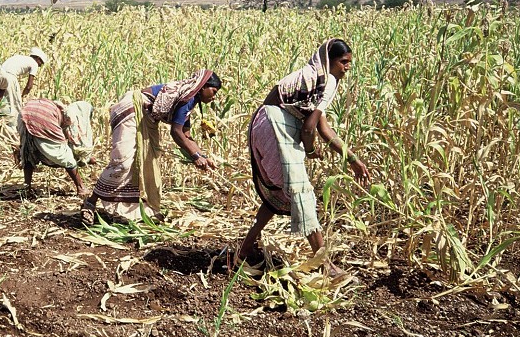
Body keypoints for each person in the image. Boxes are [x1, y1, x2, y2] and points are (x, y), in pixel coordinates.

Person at [238, 39, 370, 277]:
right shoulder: (327, 81)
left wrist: (352, 159)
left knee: (279, 193)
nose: (347, 67)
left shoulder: (315, 78)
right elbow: (309, 128)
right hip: (274, 127)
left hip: (262, 124)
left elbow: (324, 129)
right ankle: (325, 264)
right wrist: (309, 151)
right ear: (330, 61)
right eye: (343, 62)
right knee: (301, 191)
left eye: (350, 62)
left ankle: (245, 249)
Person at [80, 70, 222, 223]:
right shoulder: (187, 96)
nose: (214, 97)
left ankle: (133, 212)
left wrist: (204, 157)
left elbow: (186, 135)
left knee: (140, 164)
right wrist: (195, 156)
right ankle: (90, 202)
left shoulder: (189, 98)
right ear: (202, 86)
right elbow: (176, 132)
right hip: (133, 110)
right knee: (122, 163)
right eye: (213, 91)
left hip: (145, 117)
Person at [16, 98, 94, 196]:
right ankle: (81, 187)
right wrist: (83, 158)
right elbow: (75, 142)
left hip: (24, 114)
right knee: (64, 155)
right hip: (43, 118)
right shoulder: (73, 117)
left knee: (28, 151)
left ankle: (27, 188)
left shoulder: (61, 108)